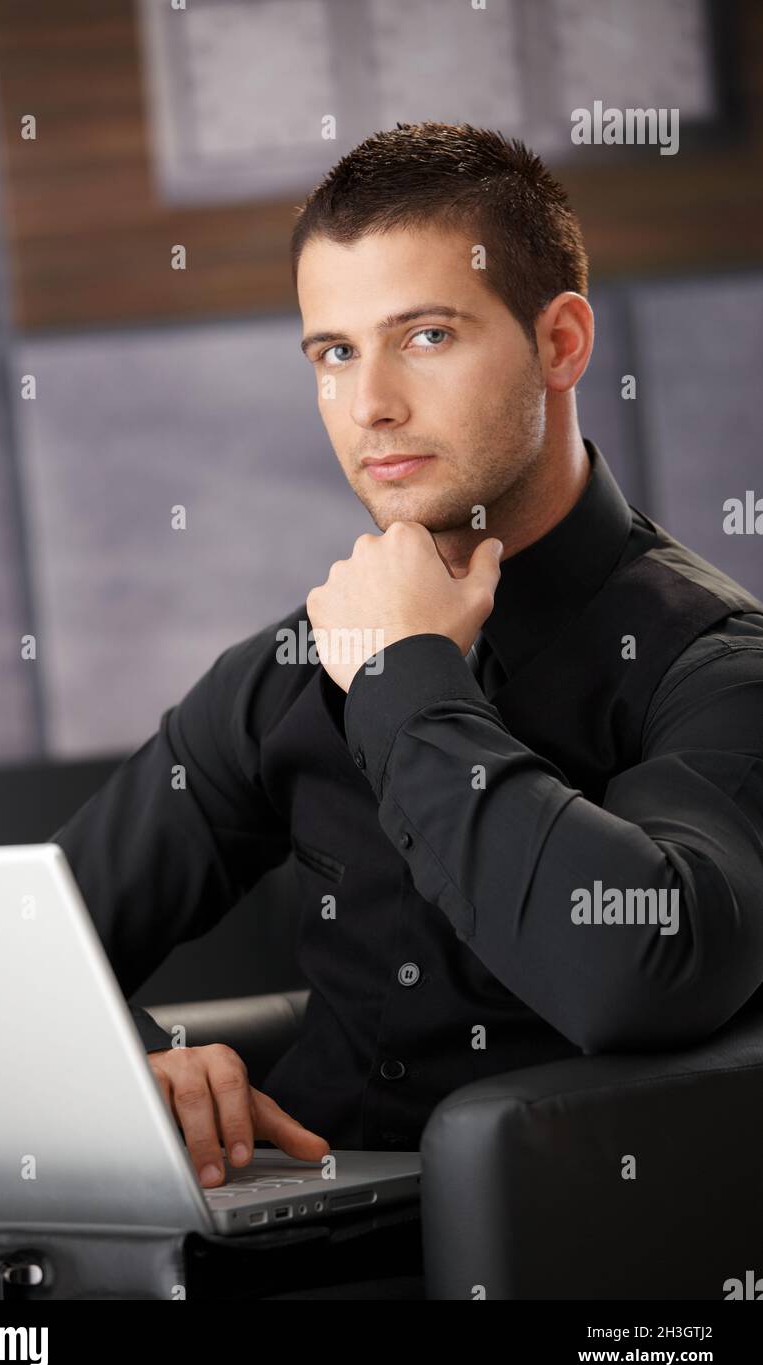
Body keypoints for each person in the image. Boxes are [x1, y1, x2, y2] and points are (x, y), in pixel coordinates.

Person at [52, 123, 763, 1202]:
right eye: (333, 352)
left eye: (424, 336)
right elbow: (34, 934)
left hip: (558, 1248)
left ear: (560, 340)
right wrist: (133, 1066)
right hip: (286, 1244)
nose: (369, 403)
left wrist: (404, 675)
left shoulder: (712, 664)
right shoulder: (288, 668)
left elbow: (641, 969)